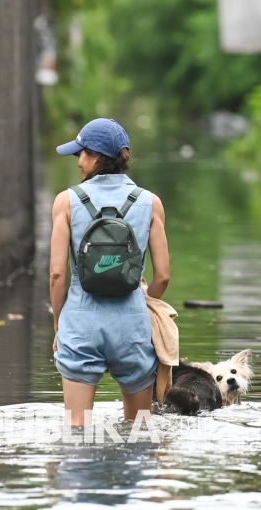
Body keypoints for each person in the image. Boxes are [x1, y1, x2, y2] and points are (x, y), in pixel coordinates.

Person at [50, 118, 170, 425]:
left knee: (76, 430)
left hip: (80, 321)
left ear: (96, 157)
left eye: (81, 154)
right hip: (131, 324)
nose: (78, 162)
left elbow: (56, 274)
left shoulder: (66, 201)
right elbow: (163, 275)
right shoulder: (150, 202)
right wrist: (144, 307)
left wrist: (59, 324)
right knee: (139, 429)